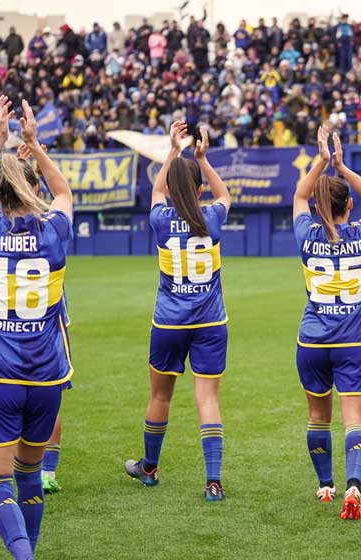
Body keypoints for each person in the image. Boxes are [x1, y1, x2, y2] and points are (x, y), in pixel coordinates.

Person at [0, 96, 74, 560]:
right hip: (46, 378)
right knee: (29, 476)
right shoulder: (54, 231)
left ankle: (24, 556)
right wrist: (34, 144)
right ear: (30, 191)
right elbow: (63, 193)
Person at [124, 122, 233, 502]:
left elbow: (156, 191)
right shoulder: (213, 218)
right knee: (208, 400)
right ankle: (213, 481)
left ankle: (149, 468)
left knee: (160, 396)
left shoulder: (160, 219)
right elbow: (225, 194)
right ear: (200, 189)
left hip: (169, 322)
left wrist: (173, 150)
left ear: (171, 187)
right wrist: (203, 159)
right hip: (211, 322)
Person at [292, 125, 361, 519]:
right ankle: (353, 487)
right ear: (348, 208)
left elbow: (299, 194)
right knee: (354, 420)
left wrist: (324, 160)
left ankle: (325, 486)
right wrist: (342, 166)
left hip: (311, 342)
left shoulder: (307, 236)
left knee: (317, 418)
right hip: (353, 343)